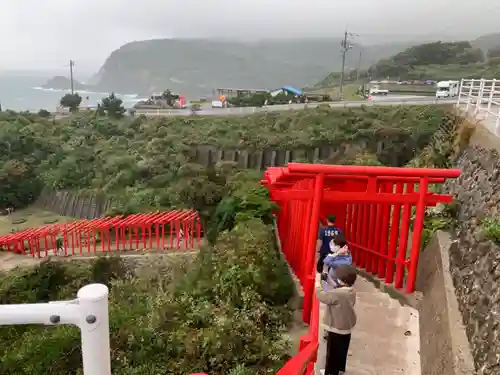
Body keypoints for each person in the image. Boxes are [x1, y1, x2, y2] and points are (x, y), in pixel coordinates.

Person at [316, 265, 357, 375]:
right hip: (347, 327)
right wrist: (329, 282)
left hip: (336, 327)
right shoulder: (351, 291)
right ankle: (340, 370)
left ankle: (330, 372)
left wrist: (317, 283)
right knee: (342, 350)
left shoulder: (338, 294)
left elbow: (322, 296)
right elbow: (338, 290)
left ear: (342, 280)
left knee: (332, 353)